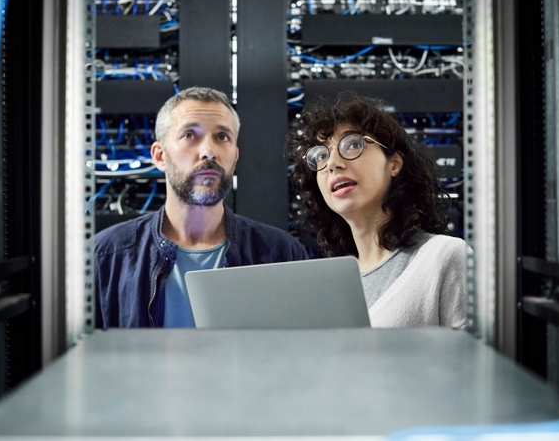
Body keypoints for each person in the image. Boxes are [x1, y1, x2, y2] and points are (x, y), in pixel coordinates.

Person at [95, 87, 309, 328]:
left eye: (222, 137)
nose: (209, 151)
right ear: (160, 156)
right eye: (190, 135)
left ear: (235, 156)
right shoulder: (106, 256)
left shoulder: (281, 255)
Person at [284, 93, 467, 329]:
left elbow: (473, 363)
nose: (332, 163)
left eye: (352, 144)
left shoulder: (444, 257)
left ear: (394, 164)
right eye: (321, 156)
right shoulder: (329, 286)